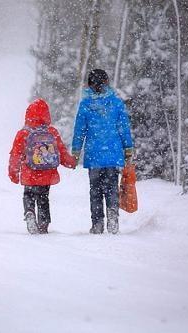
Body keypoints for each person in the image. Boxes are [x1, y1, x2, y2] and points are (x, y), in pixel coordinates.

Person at [71, 69, 134, 234]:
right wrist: (128, 148)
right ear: (106, 82)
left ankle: (97, 223)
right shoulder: (116, 103)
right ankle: (113, 216)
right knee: (112, 188)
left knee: (95, 191)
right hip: (112, 155)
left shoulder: (85, 105)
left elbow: (80, 130)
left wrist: (76, 152)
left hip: (94, 156)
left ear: (90, 84)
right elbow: (123, 128)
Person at [9, 98, 76, 234]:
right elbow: (61, 152)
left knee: (28, 194)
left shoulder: (23, 134)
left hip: (29, 172)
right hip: (46, 173)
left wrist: (14, 173)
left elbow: (15, 155)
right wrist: (71, 162)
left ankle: (29, 212)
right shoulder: (52, 132)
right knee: (43, 198)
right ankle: (44, 224)